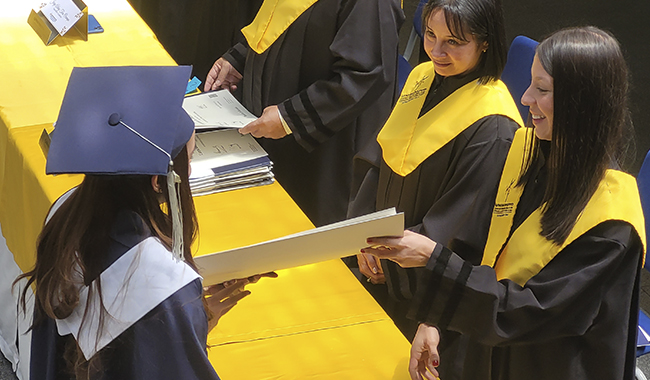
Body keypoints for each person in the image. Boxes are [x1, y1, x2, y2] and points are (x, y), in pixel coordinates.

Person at [364, 26, 645, 380]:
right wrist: (433, 319)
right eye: (531, 83)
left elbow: (527, 313)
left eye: (542, 90)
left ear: (582, 103)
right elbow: (472, 242)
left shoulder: (610, 225)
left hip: (546, 362)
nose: (525, 98)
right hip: (490, 346)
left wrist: (431, 259)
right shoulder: (524, 152)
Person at [17, 66, 273, 380]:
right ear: (157, 181)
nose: (189, 171)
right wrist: (186, 321)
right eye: (189, 160)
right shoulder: (160, 284)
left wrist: (187, 317)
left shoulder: (65, 211)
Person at [347, 0, 523, 340]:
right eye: (430, 35)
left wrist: (387, 258)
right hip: (375, 258)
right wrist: (361, 234)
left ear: (484, 43)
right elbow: (381, 156)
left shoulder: (494, 127)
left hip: (424, 296)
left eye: (453, 42)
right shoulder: (422, 77)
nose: (436, 52)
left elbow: (460, 225)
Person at [204, 0, 404, 226]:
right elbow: (280, 20)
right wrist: (238, 58)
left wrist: (290, 118)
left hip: (328, 144)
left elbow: (365, 74)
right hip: (277, 128)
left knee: (306, 235)